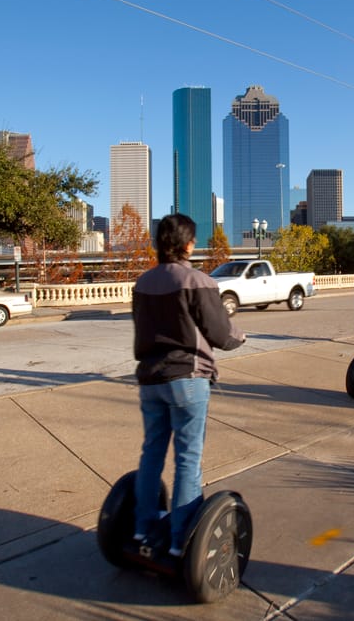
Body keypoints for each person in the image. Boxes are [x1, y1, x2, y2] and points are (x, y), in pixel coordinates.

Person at [132, 213, 246, 557]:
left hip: (150, 377)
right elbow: (220, 333)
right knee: (187, 458)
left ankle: (142, 529)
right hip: (187, 378)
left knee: (151, 453)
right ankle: (181, 541)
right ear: (187, 244)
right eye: (194, 240)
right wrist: (240, 337)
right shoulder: (198, 281)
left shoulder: (142, 283)